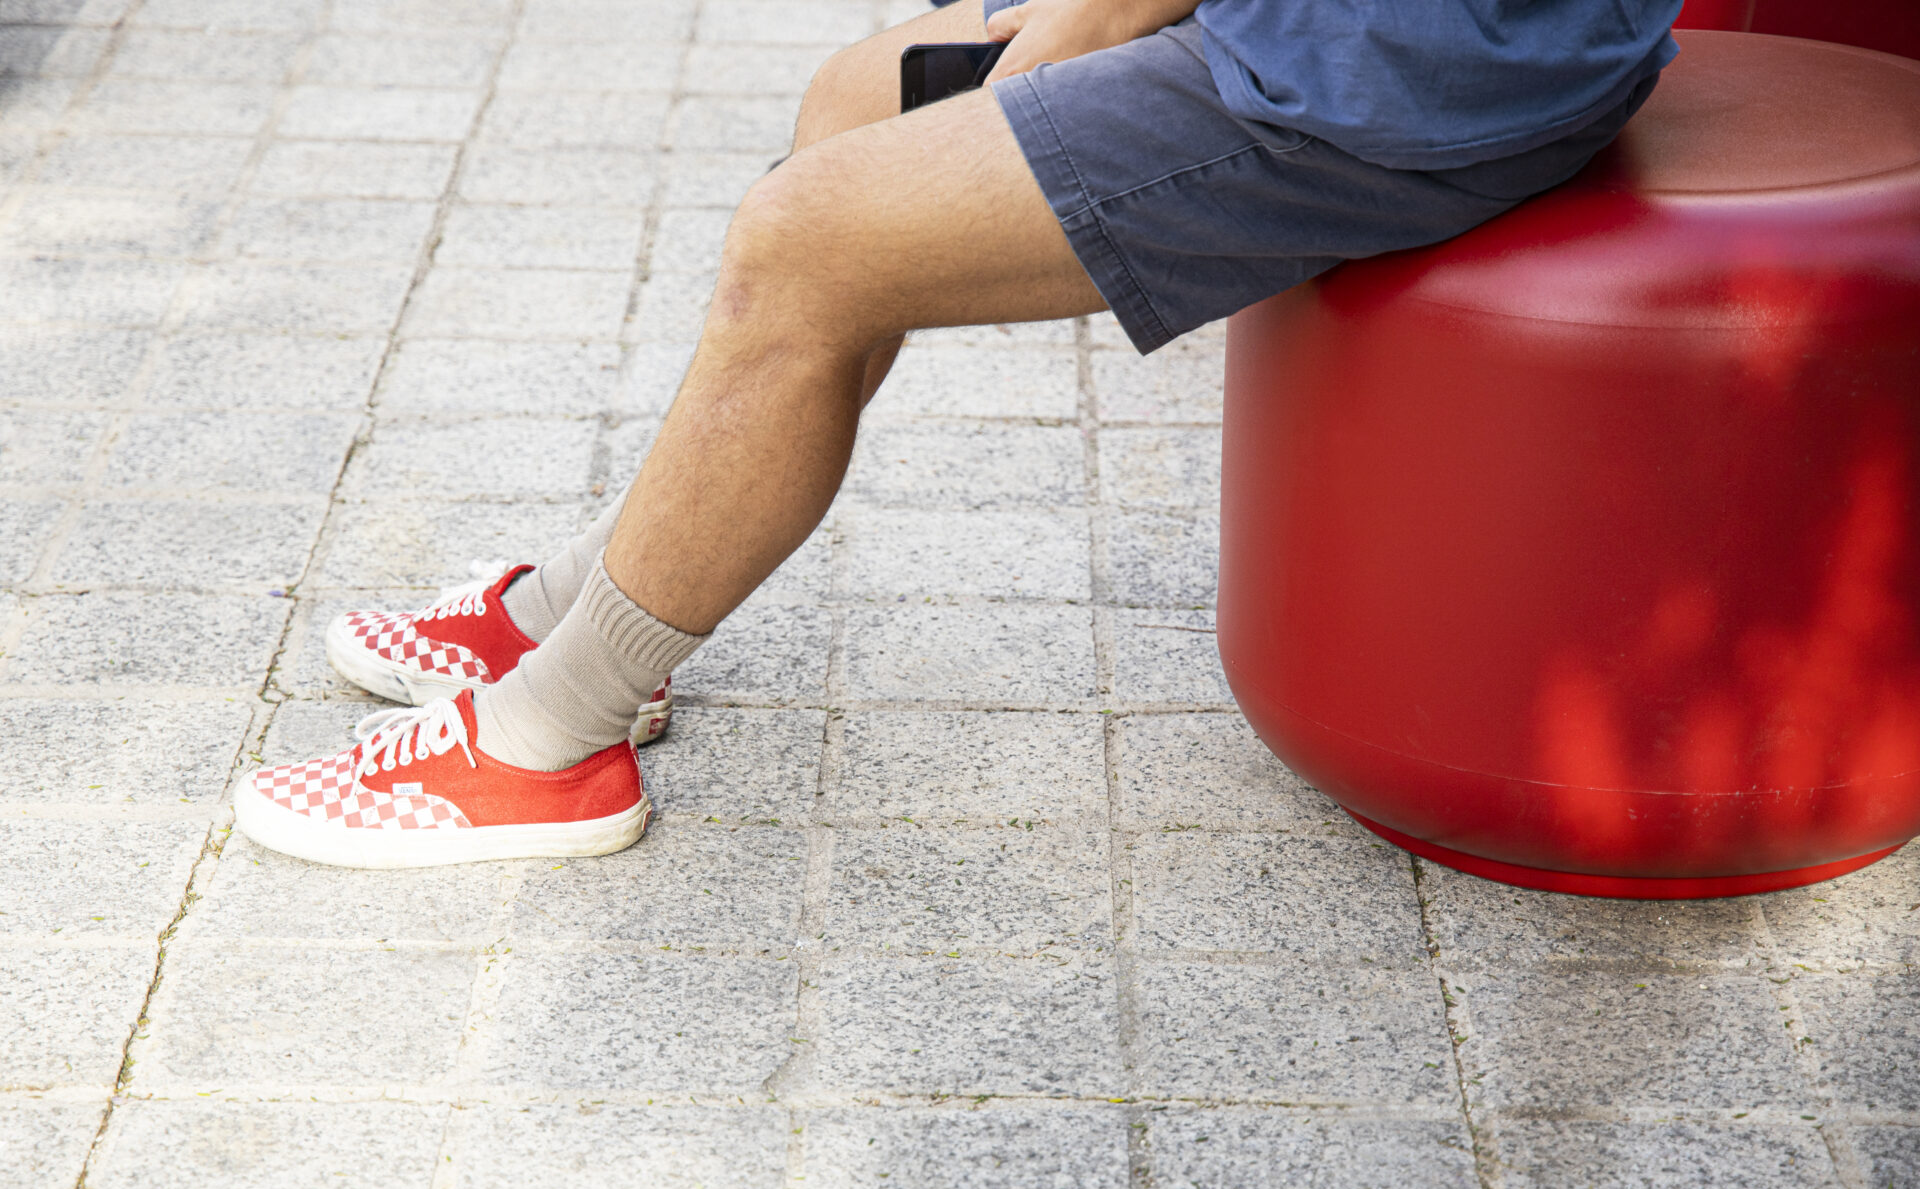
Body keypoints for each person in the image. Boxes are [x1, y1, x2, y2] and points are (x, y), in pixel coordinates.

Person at [235, 0, 1684, 867]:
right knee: (851, 101)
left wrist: (1054, 62)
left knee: (805, 240)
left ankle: (552, 741)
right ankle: (586, 602)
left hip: (1417, 71)